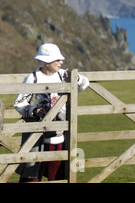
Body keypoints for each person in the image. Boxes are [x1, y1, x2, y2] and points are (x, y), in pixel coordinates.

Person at [13, 43, 89, 182]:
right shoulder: (33, 78)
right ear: (47, 62)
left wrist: (74, 78)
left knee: (57, 177)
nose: (61, 62)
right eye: (57, 60)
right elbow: (18, 103)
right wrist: (34, 111)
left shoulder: (62, 75)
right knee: (31, 176)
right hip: (37, 137)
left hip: (60, 136)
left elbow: (85, 83)